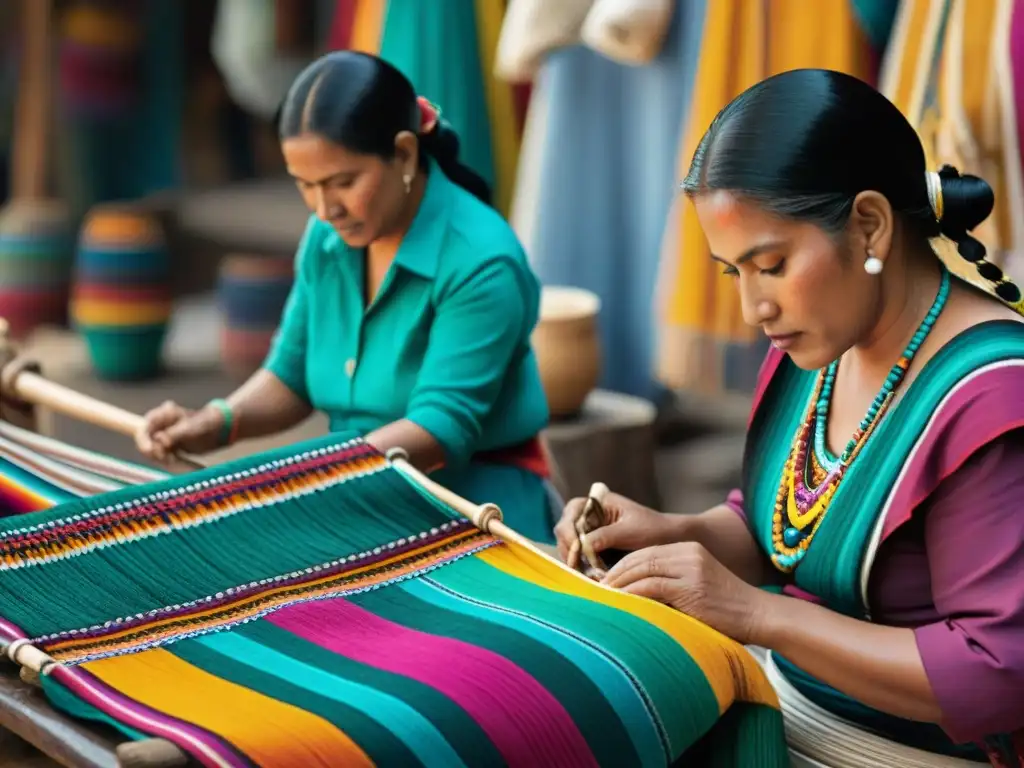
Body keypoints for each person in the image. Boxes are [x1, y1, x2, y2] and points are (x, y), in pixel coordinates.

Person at [556, 69, 1024, 767]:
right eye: (732, 273)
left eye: (770, 264)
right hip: (788, 707)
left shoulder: (989, 401)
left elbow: (997, 673)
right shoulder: (826, 344)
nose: (753, 308)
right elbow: (783, 522)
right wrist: (673, 536)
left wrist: (755, 613)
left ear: (868, 225)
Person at [135, 51, 558, 545]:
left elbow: (441, 426)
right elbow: (291, 375)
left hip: (474, 514)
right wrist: (216, 421)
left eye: (343, 183)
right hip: (354, 498)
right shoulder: (328, 239)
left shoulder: (481, 262)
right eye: (305, 185)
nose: (324, 207)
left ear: (403, 154)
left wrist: (308, 480)